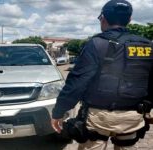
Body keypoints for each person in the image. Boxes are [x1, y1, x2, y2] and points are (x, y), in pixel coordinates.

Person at [51, 0, 153, 149]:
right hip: (133, 116)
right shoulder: (147, 45)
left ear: (103, 18)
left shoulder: (96, 44)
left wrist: (59, 111)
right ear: (129, 20)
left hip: (99, 117)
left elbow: (77, 82)